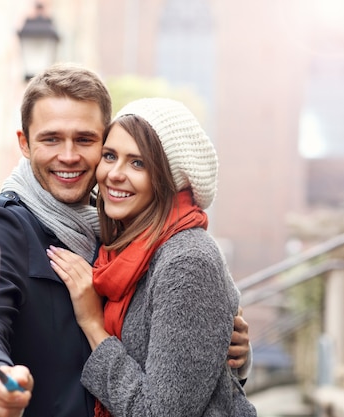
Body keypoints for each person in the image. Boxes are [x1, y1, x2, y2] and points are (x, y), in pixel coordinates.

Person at [0, 63, 251, 417]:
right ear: (24, 144)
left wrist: (219, 347)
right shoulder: (0, 227)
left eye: (85, 140)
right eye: (51, 138)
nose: (69, 155)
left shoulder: (124, 235)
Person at [46, 97, 257, 416]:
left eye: (138, 163)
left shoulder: (187, 261)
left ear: (169, 179)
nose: (114, 174)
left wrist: (93, 325)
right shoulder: (123, 250)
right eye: (110, 156)